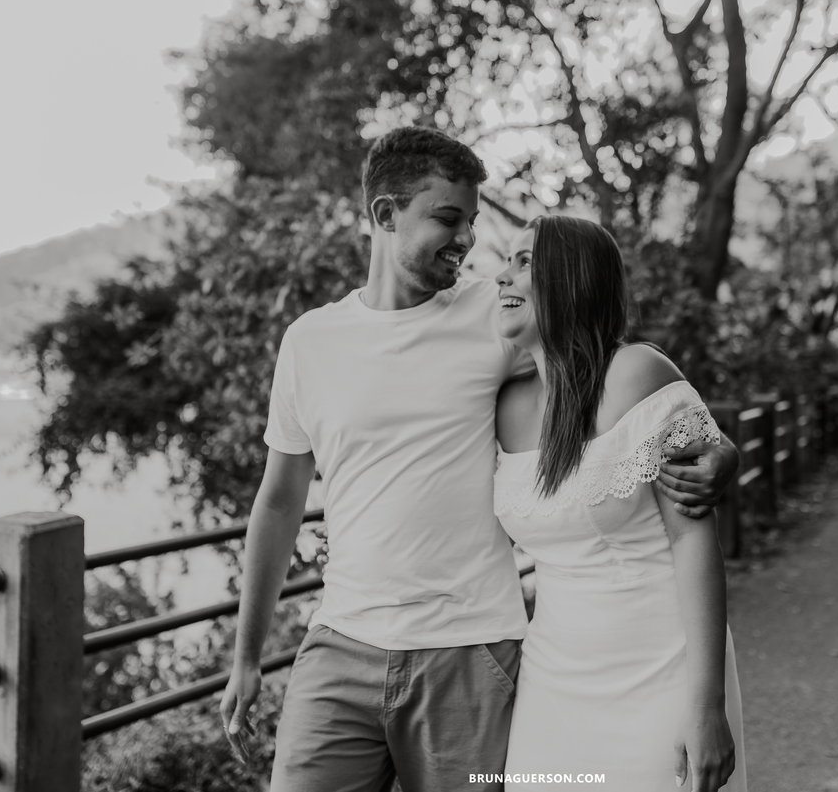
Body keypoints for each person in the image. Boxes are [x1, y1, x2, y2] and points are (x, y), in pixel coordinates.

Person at [217, 126, 741, 792]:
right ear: (385, 213)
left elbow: (601, 367)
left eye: (471, 220)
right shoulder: (309, 342)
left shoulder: (494, 314)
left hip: (472, 647)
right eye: (448, 218)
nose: (468, 241)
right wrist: (246, 655)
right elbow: (279, 501)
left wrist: (718, 448)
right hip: (345, 639)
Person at [493, 215, 747, 792]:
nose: (502, 277)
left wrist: (706, 706)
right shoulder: (504, 405)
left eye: (524, 261)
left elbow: (693, 539)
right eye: (505, 262)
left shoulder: (637, 373)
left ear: (572, 278)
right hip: (552, 680)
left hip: (662, 672)